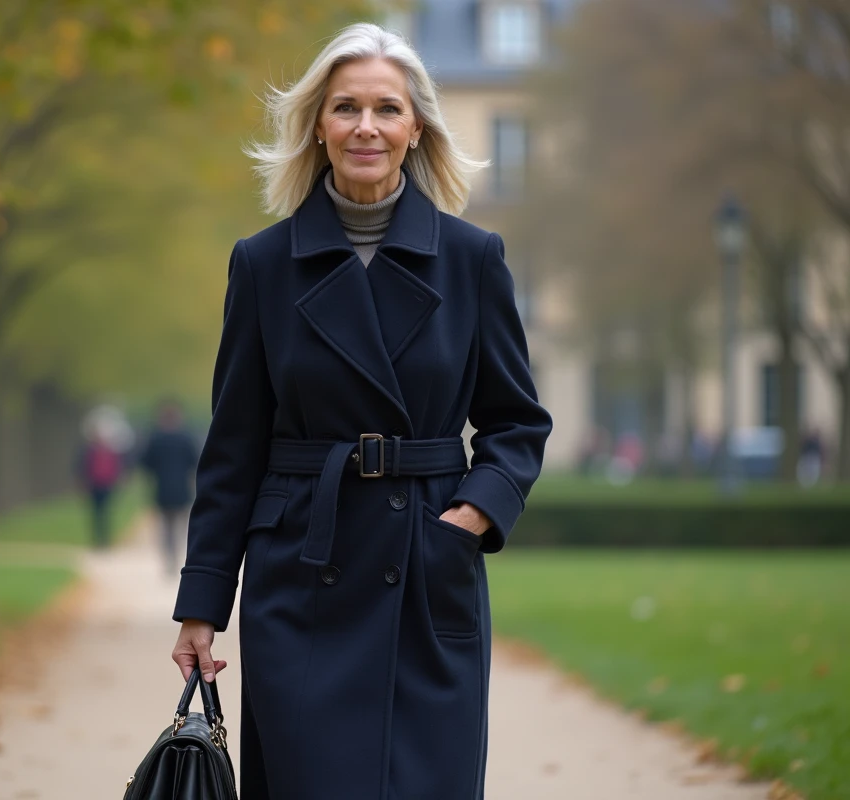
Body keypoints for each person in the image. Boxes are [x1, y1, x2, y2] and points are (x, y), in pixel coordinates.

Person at [168, 23, 553, 800]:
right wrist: (202, 606)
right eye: (346, 107)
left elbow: (517, 425)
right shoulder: (264, 264)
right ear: (318, 123)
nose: (366, 127)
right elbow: (234, 448)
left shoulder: (474, 260)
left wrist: (467, 521)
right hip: (303, 578)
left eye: (387, 108)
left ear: (416, 128)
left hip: (426, 574)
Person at [139, 398, 200, 576]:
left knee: (166, 527)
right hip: (181, 489)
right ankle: (174, 557)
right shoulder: (185, 438)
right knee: (178, 526)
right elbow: (195, 462)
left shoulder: (156, 438)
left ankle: (169, 558)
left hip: (163, 489)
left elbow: (146, 464)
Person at [76, 416, 125, 549]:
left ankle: (104, 538)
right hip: (94, 484)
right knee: (96, 513)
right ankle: (97, 539)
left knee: (106, 512)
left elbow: (116, 468)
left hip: (107, 485)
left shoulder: (110, 451)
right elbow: (83, 467)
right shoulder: (89, 451)